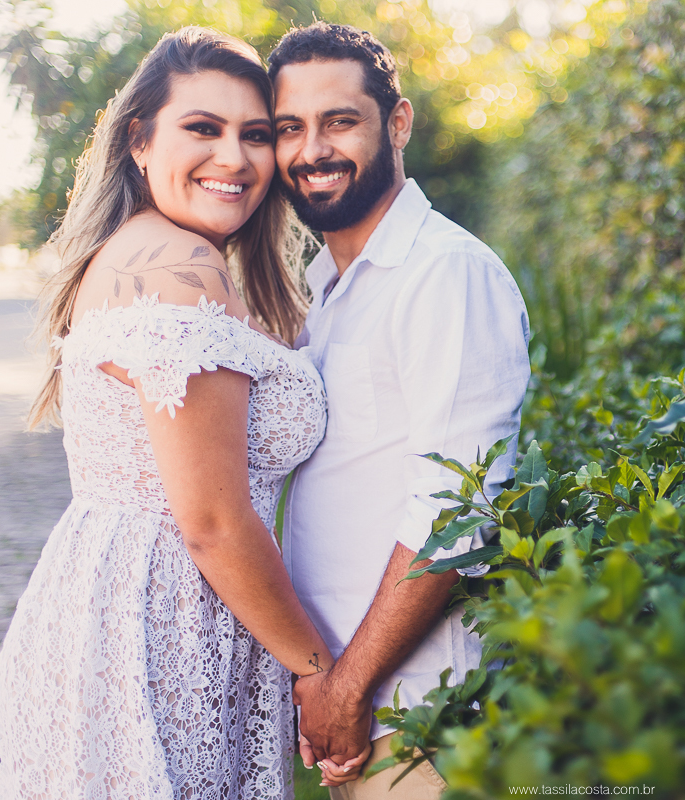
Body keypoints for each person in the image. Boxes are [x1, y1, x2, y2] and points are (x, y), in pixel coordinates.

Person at [0, 27, 338, 799]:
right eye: (203, 129)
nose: (235, 158)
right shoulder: (182, 272)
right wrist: (317, 671)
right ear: (140, 142)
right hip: (159, 628)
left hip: (114, 609)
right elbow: (212, 522)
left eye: (255, 134)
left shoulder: (143, 251)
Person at [268, 22, 531, 798]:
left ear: (399, 122)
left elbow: (458, 508)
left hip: (419, 712)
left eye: (339, 121)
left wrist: (349, 688)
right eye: (290, 128)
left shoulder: (445, 274)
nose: (312, 150)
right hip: (353, 701)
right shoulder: (324, 282)